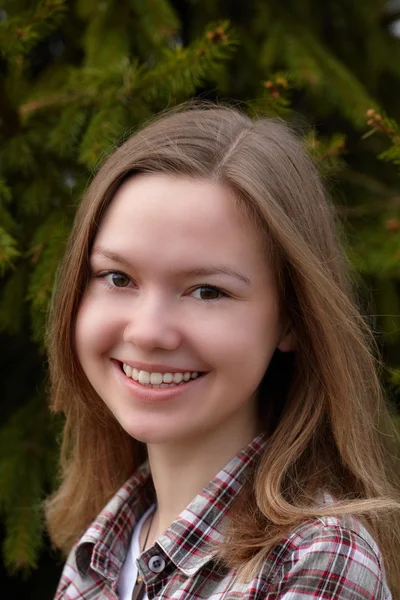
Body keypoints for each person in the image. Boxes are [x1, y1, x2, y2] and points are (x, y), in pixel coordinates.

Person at [45, 103, 400, 600]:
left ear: (293, 318)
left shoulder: (318, 560)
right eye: (118, 278)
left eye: (207, 291)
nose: (148, 332)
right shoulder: (100, 554)